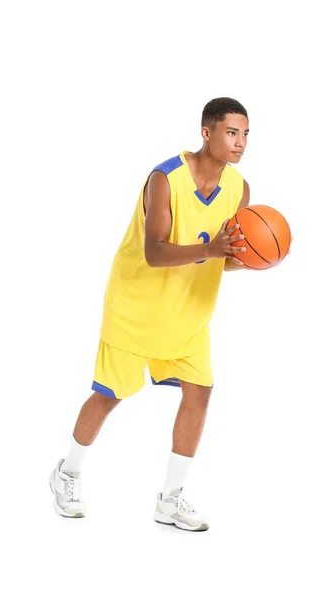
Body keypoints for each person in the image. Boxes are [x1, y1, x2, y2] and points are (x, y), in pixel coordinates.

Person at [49, 97, 250, 531]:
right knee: (109, 396)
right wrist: (213, 249)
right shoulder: (165, 179)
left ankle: (170, 500)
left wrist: (253, 257)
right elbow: (155, 251)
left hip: (188, 313)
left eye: (246, 134)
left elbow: (226, 255)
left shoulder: (239, 188)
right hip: (136, 308)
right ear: (207, 132)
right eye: (232, 132)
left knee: (200, 392)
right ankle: (66, 473)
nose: (240, 142)